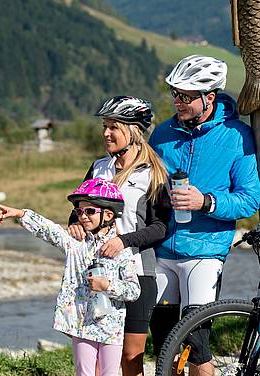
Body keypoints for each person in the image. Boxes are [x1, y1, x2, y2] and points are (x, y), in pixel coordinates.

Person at [147, 55, 260, 376]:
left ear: (208, 97)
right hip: (162, 251)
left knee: (196, 347)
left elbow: (249, 200)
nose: (177, 101)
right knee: (166, 343)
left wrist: (206, 201)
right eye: (175, 94)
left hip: (205, 252)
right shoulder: (163, 134)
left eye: (185, 96)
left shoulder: (237, 136)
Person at [0, 178, 140, 376]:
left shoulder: (120, 250)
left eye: (89, 211)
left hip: (111, 327)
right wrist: (20, 214)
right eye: (79, 211)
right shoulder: (75, 243)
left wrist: (108, 286)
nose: (83, 216)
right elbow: (49, 230)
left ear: (108, 214)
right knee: (83, 373)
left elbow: (134, 290)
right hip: (81, 325)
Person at [67, 96, 170, 376]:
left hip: (137, 271)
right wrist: (75, 222)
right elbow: (80, 209)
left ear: (133, 131)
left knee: (130, 354)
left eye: (113, 127)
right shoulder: (99, 168)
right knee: (97, 353)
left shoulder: (155, 174)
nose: (106, 133)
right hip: (96, 270)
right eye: (104, 126)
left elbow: (161, 227)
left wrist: (124, 241)